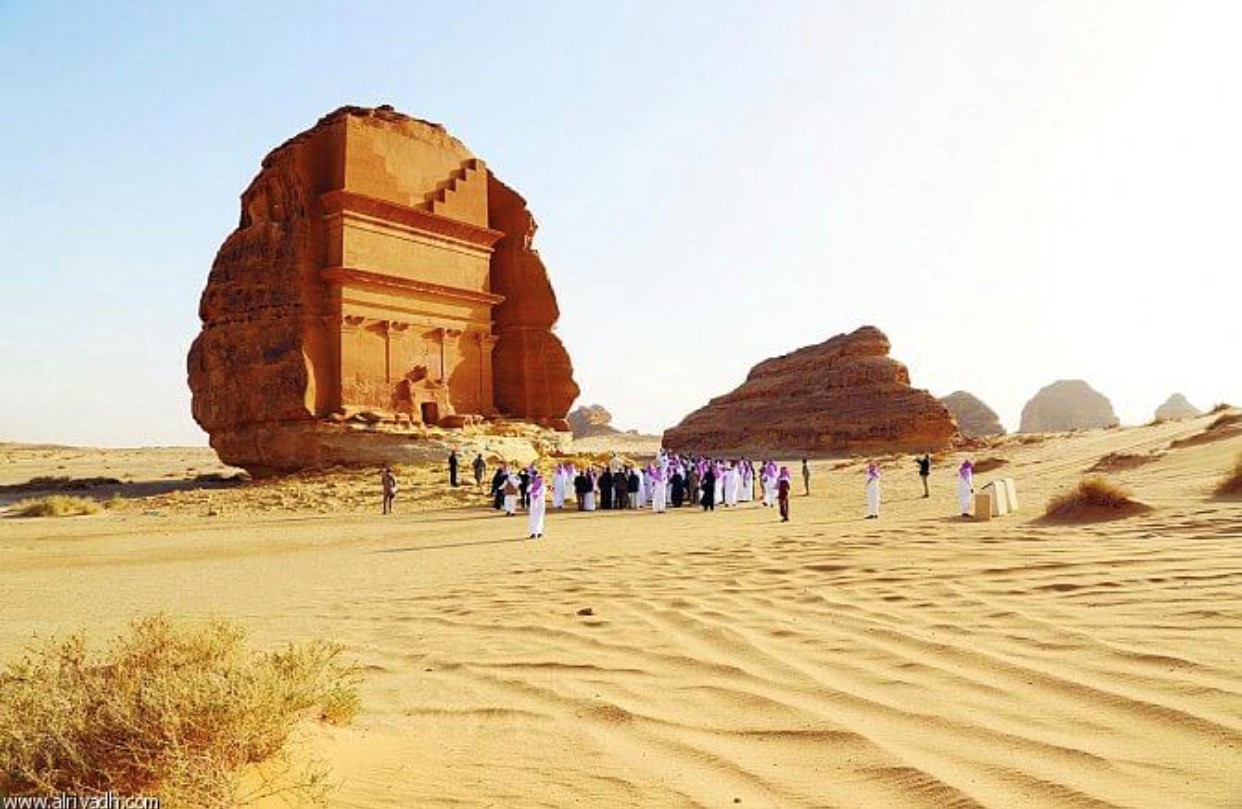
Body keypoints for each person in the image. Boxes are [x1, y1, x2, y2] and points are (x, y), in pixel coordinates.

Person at [528, 469, 546, 538]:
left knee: (533, 517)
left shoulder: (531, 486)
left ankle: (533, 533)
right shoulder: (542, 486)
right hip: (540, 503)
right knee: (540, 517)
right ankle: (539, 532)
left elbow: (528, 491)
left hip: (534, 503)